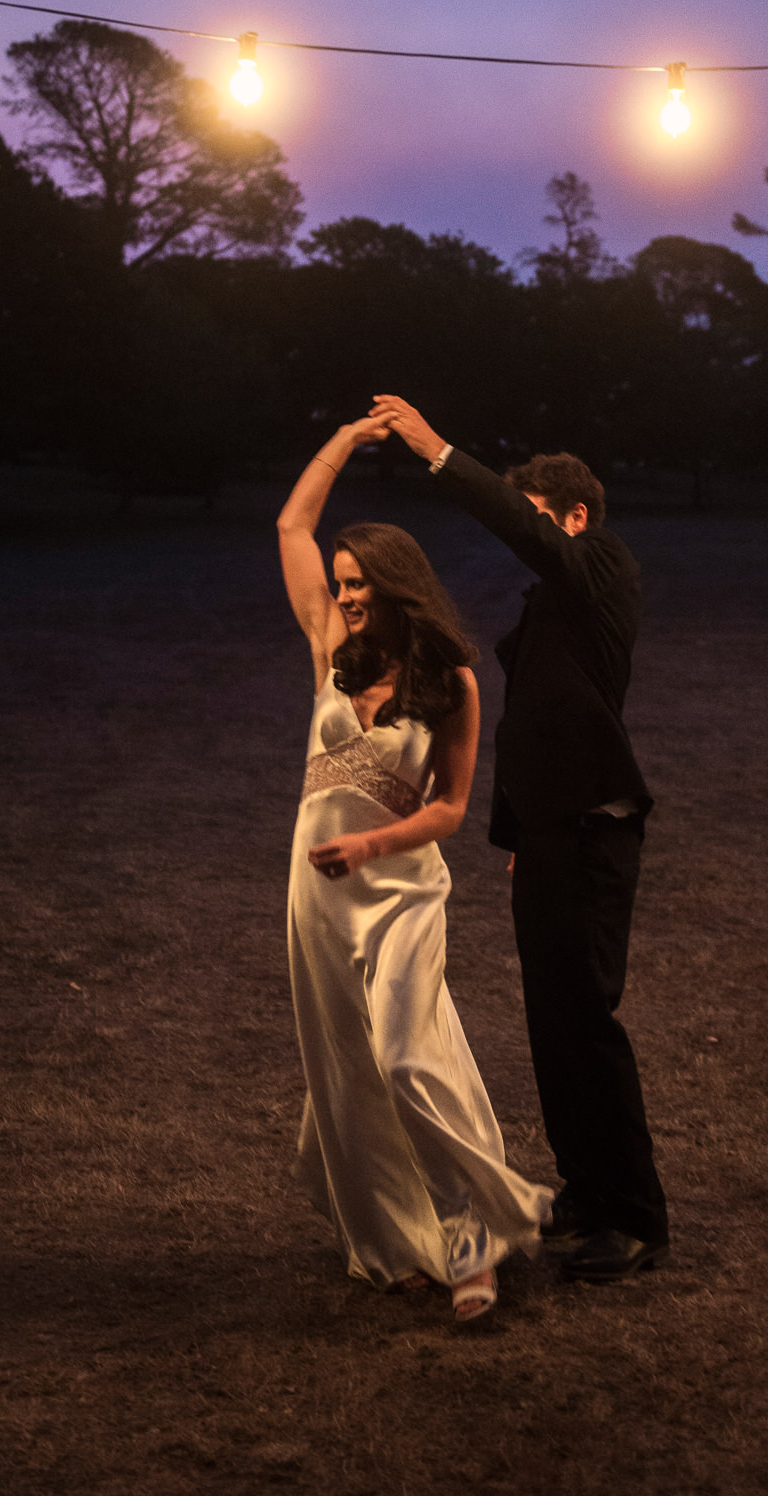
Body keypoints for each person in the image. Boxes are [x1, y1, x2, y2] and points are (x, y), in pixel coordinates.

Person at [371, 396, 669, 1283]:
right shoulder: (555, 608)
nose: (527, 535)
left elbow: (532, 540)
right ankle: (586, 1195)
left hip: (592, 830)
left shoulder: (604, 568)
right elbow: (537, 722)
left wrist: (436, 453)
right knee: (552, 1026)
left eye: (537, 519)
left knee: (587, 1021)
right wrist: (518, 828)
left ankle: (635, 1218)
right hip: (547, 832)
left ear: (574, 519)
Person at [276, 418, 551, 1323]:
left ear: (397, 588)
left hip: (398, 893)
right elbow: (291, 529)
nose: (346, 596)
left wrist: (364, 847)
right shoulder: (330, 652)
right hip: (315, 897)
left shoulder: (453, 680)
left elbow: (449, 813)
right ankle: (396, 1244)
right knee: (348, 1068)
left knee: (407, 1060)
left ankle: (482, 1232)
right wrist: (347, 442)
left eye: (360, 585)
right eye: (341, 584)